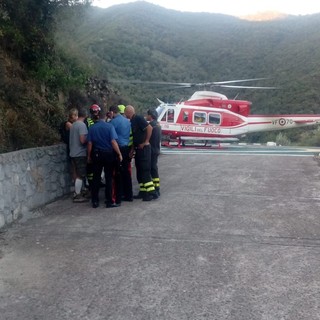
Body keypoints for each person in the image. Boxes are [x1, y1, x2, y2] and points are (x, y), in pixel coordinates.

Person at [87, 109, 123, 209]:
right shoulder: (110, 126)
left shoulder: (92, 128)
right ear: (105, 117)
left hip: (97, 155)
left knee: (96, 178)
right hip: (108, 155)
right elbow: (113, 142)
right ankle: (109, 201)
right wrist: (119, 154)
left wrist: (89, 156)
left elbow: (90, 144)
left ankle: (95, 201)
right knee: (109, 178)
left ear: (98, 117)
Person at [124, 105, 157, 201]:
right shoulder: (132, 121)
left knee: (145, 171)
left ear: (129, 112)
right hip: (138, 149)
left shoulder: (138, 118)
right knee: (139, 172)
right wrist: (132, 150)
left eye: (126, 114)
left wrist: (146, 141)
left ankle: (151, 193)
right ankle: (143, 192)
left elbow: (149, 128)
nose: (125, 116)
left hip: (144, 149)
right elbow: (135, 137)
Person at [109, 105, 133, 203]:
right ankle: (129, 195)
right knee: (126, 172)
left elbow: (111, 137)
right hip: (126, 148)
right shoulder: (127, 121)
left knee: (117, 173)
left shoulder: (113, 122)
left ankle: (119, 196)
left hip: (118, 150)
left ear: (112, 112)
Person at [69, 107, 88, 203]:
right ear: (85, 115)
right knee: (80, 175)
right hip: (80, 153)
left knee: (76, 174)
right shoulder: (82, 125)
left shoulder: (73, 125)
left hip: (72, 153)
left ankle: (78, 191)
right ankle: (78, 195)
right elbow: (82, 140)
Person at [84, 104, 101, 190]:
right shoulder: (87, 121)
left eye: (97, 111)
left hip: (97, 147)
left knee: (97, 167)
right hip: (91, 146)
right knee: (90, 167)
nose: (96, 113)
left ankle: (97, 182)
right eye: (94, 111)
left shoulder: (99, 121)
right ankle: (91, 184)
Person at [146, 108, 161, 197]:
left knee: (150, 169)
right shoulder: (158, 125)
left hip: (151, 150)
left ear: (150, 116)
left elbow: (147, 138)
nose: (146, 116)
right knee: (154, 169)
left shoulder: (150, 126)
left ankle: (153, 190)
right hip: (156, 149)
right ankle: (157, 187)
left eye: (147, 115)